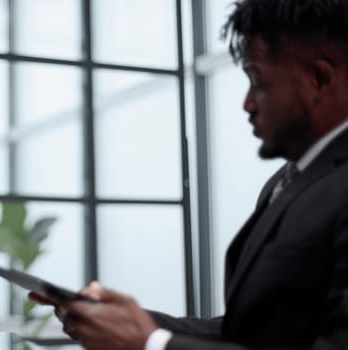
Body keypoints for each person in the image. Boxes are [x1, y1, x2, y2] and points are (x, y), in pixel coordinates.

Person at [32, 0, 348, 349]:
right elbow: (252, 333)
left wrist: (151, 343)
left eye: (257, 81)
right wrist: (135, 323)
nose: (248, 104)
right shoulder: (286, 182)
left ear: (320, 79)